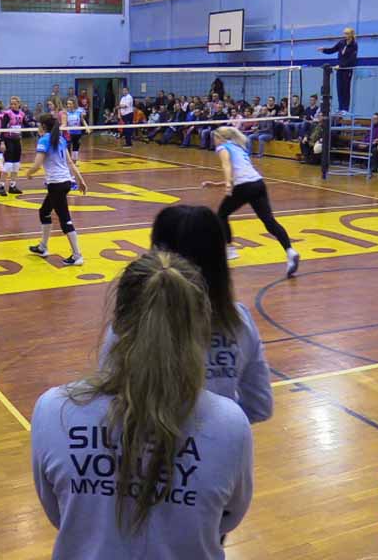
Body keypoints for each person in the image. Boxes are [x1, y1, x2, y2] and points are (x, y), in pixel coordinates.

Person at [32, 251, 253, 559]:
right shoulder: (231, 423)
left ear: (117, 322)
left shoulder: (54, 410)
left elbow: (60, 513)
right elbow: (229, 517)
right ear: (201, 328)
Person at [100, 204, 274, 423]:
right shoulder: (239, 321)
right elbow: (259, 407)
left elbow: (106, 401)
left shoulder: (129, 324)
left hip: (143, 442)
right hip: (217, 442)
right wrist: (220, 425)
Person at [208, 127, 300, 277]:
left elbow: (227, 166)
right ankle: (290, 251)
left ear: (220, 138)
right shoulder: (238, 147)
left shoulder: (222, 148)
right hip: (258, 184)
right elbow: (241, 172)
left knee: (221, 215)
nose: (213, 141)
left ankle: (230, 249)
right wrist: (218, 184)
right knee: (269, 222)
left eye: (214, 138)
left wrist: (228, 184)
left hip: (244, 186)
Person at [25, 113, 88, 267]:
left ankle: (77, 255)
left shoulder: (44, 140)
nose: (37, 127)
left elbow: (37, 164)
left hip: (56, 184)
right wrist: (81, 180)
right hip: (65, 182)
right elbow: (70, 163)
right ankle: (43, 247)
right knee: (44, 211)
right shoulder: (60, 139)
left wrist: (29, 173)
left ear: (43, 126)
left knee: (65, 219)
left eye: (38, 125)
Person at [319, 27, 358, 114]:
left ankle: (345, 108)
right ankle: (340, 108)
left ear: (351, 34)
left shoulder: (354, 45)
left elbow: (352, 59)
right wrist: (324, 50)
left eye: (347, 33)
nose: (345, 35)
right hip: (339, 70)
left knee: (346, 89)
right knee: (339, 89)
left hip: (347, 69)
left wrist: (341, 66)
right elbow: (333, 49)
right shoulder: (341, 42)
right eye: (344, 33)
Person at [0, 96, 26, 197]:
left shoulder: (22, 114)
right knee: (8, 165)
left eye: (15, 104)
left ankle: (12, 186)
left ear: (19, 104)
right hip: (8, 140)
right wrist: (2, 142)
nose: (13, 105)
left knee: (16, 165)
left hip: (17, 140)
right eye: (11, 104)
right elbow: (3, 128)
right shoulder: (7, 114)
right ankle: (1, 187)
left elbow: (26, 125)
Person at [64, 97, 90, 164]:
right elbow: (64, 123)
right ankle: (68, 162)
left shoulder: (79, 111)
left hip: (77, 133)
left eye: (70, 104)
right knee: (67, 147)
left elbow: (82, 120)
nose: (68, 105)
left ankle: (74, 163)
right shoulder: (66, 113)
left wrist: (87, 127)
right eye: (67, 104)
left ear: (74, 104)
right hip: (69, 133)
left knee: (75, 148)